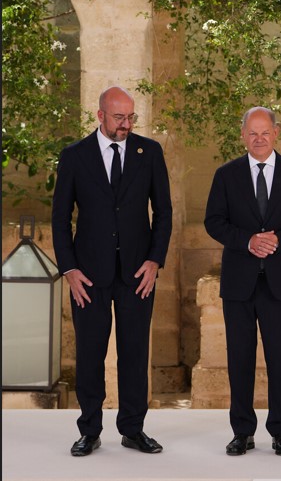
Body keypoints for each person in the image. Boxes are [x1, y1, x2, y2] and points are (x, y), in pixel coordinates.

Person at [51, 86, 173, 457]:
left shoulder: (149, 152)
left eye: (131, 117)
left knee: (135, 352)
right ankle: (89, 429)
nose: (126, 124)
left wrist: (155, 261)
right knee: (90, 352)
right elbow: (60, 218)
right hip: (88, 274)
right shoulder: (74, 156)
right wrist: (69, 268)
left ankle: (133, 429)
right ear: (100, 115)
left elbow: (164, 213)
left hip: (139, 273)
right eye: (119, 117)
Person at [204, 107, 281, 457]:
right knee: (239, 358)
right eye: (252, 133)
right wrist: (248, 241)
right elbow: (214, 221)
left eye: (264, 132)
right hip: (239, 282)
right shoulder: (226, 175)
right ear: (243, 135)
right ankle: (242, 432)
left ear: (276, 133)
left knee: (279, 359)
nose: (259, 138)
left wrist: (277, 241)